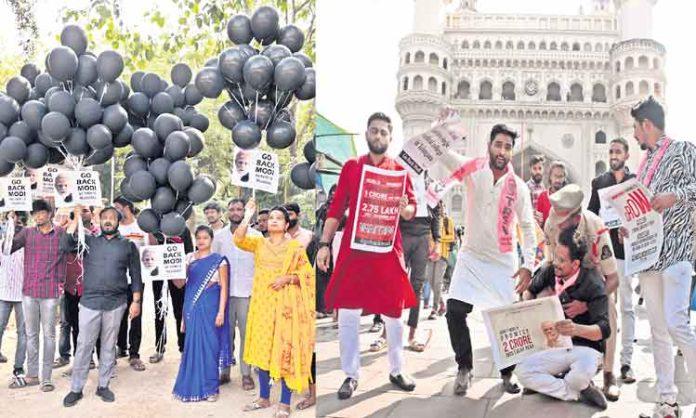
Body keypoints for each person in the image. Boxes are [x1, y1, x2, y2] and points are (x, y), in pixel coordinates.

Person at [316, 112, 418, 400]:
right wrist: (324, 244)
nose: (379, 137)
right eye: (374, 131)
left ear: (390, 136)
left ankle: (397, 369)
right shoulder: (352, 167)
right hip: (355, 250)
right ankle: (350, 374)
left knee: (394, 314)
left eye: (384, 132)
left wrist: (403, 207)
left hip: (388, 251)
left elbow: (411, 210)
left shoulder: (399, 171)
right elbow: (335, 210)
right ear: (367, 134)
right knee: (348, 312)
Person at [445, 124, 536, 396]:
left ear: (512, 152)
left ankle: (507, 373)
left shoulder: (518, 187)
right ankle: (465, 367)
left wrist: (528, 264)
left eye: (507, 147)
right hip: (471, 256)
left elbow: (529, 227)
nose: (502, 151)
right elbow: (447, 157)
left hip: (502, 261)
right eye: (498, 145)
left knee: (506, 320)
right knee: (454, 310)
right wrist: (440, 131)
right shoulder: (473, 171)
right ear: (489, 145)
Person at [625, 96, 696, 418]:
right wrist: (631, 227)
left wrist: (674, 197)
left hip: (678, 251)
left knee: (676, 323)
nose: (635, 136)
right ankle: (667, 402)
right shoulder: (645, 165)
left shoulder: (683, 149)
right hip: (649, 257)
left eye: (636, 129)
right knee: (657, 330)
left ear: (647, 125)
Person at [236, 199, 315, 417]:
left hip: (286, 308)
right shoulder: (259, 243)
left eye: (278, 218)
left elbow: (308, 276)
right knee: (263, 350)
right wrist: (248, 215)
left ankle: (284, 403)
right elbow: (238, 239)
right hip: (262, 304)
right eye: (270, 218)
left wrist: (288, 278)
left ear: (287, 224)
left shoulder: (294, 247)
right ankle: (263, 398)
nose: (273, 221)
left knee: (285, 350)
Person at [517, 227, 610, 410]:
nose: (556, 263)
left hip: (585, 348)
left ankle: (561, 384)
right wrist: (529, 307)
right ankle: (576, 391)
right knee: (522, 372)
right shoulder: (550, 270)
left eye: (561, 260)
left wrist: (576, 328)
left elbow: (604, 330)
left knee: (578, 376)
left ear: (575, 264)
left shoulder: (593, 283)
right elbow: (530, 290)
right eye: (555, 256)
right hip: (555, 346)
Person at [543, 184, 621, 401]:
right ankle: (547, 367)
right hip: (564, 285)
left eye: (562, 222)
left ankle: (608, 374)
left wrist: (588, 304)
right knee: (539, 301)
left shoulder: (596, 227)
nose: (556, 225)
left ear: (576, 219)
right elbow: (551, 264)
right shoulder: (551, 224)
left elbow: (613, 278)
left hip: (591, 290)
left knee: (610, 310)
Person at [61, 205, 142, 407]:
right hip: (90, 302)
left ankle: (103, 385)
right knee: (83, 346)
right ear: (99, 220)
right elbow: (65, 244)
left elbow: (136, 275)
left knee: (108, 347)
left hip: (116, 303)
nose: (107, 220)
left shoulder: (128, 245)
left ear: (118, 221)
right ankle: (76, 389)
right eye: (104, 217)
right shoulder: (88, 241)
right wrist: (76, 217)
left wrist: (136, 301)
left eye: (112, 218)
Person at [587, 137, 638, 385]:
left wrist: (631, 228)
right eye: (611, 151)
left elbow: (642, 216)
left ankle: (626, 362)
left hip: (627, 253)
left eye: (618, 151)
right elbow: (590, 216)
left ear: (627, 155)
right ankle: (602, 360)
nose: (613, 155)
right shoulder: (600, 183)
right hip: (605, 256)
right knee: (606, 308)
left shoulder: (634, 183)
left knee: (627, 307)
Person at [371, 172, 440, 353]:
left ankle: (412, 335)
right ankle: (385, 334)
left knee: (416, 286)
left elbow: (438, 212)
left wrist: (438, 241)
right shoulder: (400, 178)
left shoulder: (431, 183)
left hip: (423, 237)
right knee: (393, 284)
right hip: (401, 234)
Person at [8, 200, 67, 392]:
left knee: (49, 335)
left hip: (50, 293)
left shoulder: (60, 233)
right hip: (30, 292)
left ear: (49, 214)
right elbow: (6, 249)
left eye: (41, 212)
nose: (38, 216)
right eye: (35, 213)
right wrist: (10, 223)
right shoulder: (27, 233)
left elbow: (72, 247)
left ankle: (47, 377)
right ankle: (33, 375)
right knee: (31, 334)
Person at [172, 225, 231, 402]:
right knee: (192, 346)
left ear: (211, 240)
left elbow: (224, 289)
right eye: (198, 238)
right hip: (192, 306)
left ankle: (211, 389)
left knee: (210, 347)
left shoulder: (219, 261)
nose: (201, 241)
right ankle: (192, 385)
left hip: (211, 307)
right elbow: (180, 284)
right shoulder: (189, 258)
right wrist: (172, 270)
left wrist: (221, 312)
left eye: (205, 238)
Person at [213, 198, 261, 390]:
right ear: (227, 212)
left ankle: (246, 374)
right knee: (225, 335)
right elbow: (214, 263)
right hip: (224, 294)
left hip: (247, 294)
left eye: (239, 209)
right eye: (231, 209)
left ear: (245, 212)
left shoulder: (257, 236)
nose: (235, 212)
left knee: (246, 336)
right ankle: (224, 372)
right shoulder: (219, 237)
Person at [57, 207, 99, 372]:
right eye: (78, 210)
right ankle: (81, 361)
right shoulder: (68, 233)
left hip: (91, 289)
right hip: (71, 288)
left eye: (86, 210)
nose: (82, 213)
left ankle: (96, 359)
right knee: (76, 326)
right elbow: (64, 245)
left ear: (92, 214)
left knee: (94, 326)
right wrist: (73, 224)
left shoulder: (98, 233)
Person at [113, 196, 150, 372]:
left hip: (137, 279)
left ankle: (134, 354)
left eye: (118, 207)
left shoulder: (141, 226)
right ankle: (121, 347)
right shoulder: (115, 226)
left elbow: (151, 249)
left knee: (135, 315)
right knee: (117, 315)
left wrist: (152, 232)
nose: (116, 210)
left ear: (127, 207)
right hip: (117, 279)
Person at [149, 230, 193, 364]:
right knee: (160, 312)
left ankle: (184, 348)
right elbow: (149, 250)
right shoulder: (153, 227)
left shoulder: (182, 228)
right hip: (158, 276)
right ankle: (159, 348)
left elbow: (189, 253)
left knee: (180, 312)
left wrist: (182, 273)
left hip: (177, 275)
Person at [0, 212, 27, 377]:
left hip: (23, 296)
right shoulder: (2, 245)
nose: (18, 225)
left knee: (23, 333)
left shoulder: (28, 246)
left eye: (20, 222)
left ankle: (18, 366)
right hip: (3, 294)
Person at [426, 202, 454, 319]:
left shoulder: (448, 221)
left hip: (442, 255)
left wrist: (438, 238)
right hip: (431, 255)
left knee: (437, 282)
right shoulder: (431, 220)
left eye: (442, 206)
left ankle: (434, 308)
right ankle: (442, 303)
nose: (441, 209)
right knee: (431, 282)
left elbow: (452, 237)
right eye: (438, 207)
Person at [535, 161, 568, 228]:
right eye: (555, 176)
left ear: (564, 178)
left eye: (560, 176)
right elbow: (539, 224)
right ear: (550, 176)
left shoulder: (569, 197)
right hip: (546, 236)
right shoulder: (543, 197)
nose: (558, 180)